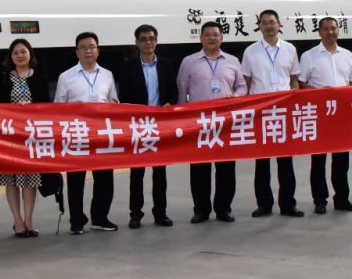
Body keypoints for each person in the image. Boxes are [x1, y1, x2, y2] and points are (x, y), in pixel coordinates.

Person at [177, 21, 247, 223]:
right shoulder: (188, 62)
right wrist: (183, 119)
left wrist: (236, 96)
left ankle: (223, 208)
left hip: (226, 122)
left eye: (215, 34)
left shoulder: (233, 61)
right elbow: (182, 91)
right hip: (199, 123)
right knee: (200, 169)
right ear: (200, 38)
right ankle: (201, 210)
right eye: (207, 34)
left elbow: (242, 86)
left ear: (222, 38)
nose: (211, 38)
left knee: (226, 168)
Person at [54, 31, 120, 234]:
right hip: (77, 134)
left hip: (102, 135)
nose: (88, 51)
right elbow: (58, 107)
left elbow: (114, 102)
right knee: (76, 180)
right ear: (77, 52)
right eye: (83, 48)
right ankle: (76, 221)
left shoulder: (107, 75)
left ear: (98, 50)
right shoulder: (66, 77)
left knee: (105, 179)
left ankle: (100, 217)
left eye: (92, 47)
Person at [241, 10, 304, 218]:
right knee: (262, 163)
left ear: (279, 25)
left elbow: (294, 79)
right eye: (264, 22)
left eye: (272, 22)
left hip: (284, 112)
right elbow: (246, 82)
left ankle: (288, 204)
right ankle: (264, 205)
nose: (269, 26)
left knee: (286, 162)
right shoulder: (250, 51)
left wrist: (293, 97)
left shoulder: (290, 49)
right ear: (259, 26)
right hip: (261, 112)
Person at [298, 17, 352, 214]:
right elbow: (301, 84)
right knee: (318, 161)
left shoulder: (347, 55)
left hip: (342, 115)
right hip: (319, 115)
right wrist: (319, 93)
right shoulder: (309, 56)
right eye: (325, 29)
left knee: (342, 161)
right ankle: (320, 200)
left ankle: (342, 199)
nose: (330, 32)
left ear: (338, 30)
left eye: (333, 28)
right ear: (319, 32)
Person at [118, 24, 178, 229]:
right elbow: (124, 96)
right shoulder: (128, 66)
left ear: (156, 41)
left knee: (160, 173)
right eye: (143, 39)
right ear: (136, 43)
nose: (148, 42)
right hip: (138, 125)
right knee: (137, 173)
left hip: (160, 125)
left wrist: (170, 103)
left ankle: (160, 213)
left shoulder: (167, 65)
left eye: (151, 38)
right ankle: (135, 214)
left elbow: (174, 92)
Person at [0, 39, 50, 237]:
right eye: (15, 53)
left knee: (29, 179)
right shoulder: (4, 78)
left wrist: (33, 108)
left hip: (31, 137)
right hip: (9, 137)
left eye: (23, 51)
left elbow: (47, 106)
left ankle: (29, 220)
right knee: (11, 179)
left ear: (30, 54)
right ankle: (17, 220)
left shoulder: (39, 77)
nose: (20, 56)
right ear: (11, 57)